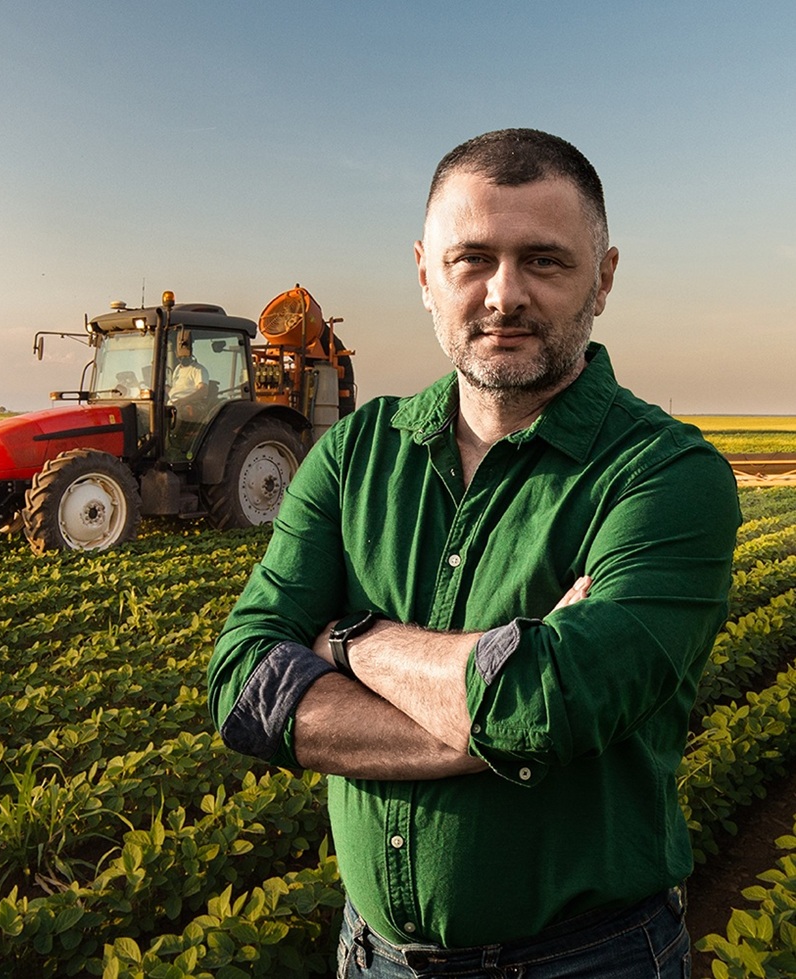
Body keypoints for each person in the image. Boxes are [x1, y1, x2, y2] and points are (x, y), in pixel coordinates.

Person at [207, 128, 740, 977]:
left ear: (603, 278)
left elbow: (552, 699)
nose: (505, 294)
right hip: (373, 956)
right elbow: (242, 681)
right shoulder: (353, 456)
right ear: (425, 272)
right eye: (472, 260)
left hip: (590, 960)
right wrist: (484, 722)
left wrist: (351, 641)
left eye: (546, 261)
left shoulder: (668, 475)